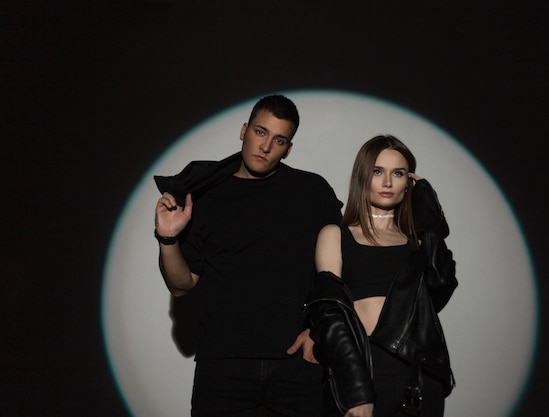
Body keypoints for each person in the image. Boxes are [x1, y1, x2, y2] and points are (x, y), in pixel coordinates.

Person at [153, 95, 343, 416]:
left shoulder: (313, 193)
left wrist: (320, 329)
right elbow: (181, 285)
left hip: (295, 366)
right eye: (260, 132)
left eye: (279, 140)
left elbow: (340, 271)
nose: (266, 146)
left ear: (288, 149)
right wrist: (168, 238)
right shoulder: (207, 197)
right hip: (223, 367)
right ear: (244, 131)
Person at [304, 135, 457, 417]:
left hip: (420, 375)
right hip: (363, 366)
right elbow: (329, 312)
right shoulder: (336, 234)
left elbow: (441, 286)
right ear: (363, 176)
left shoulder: (419, 241)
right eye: (377, 171)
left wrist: (430, 218)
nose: (387, 183)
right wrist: (357, 387)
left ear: (408, 181)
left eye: (397, 173)